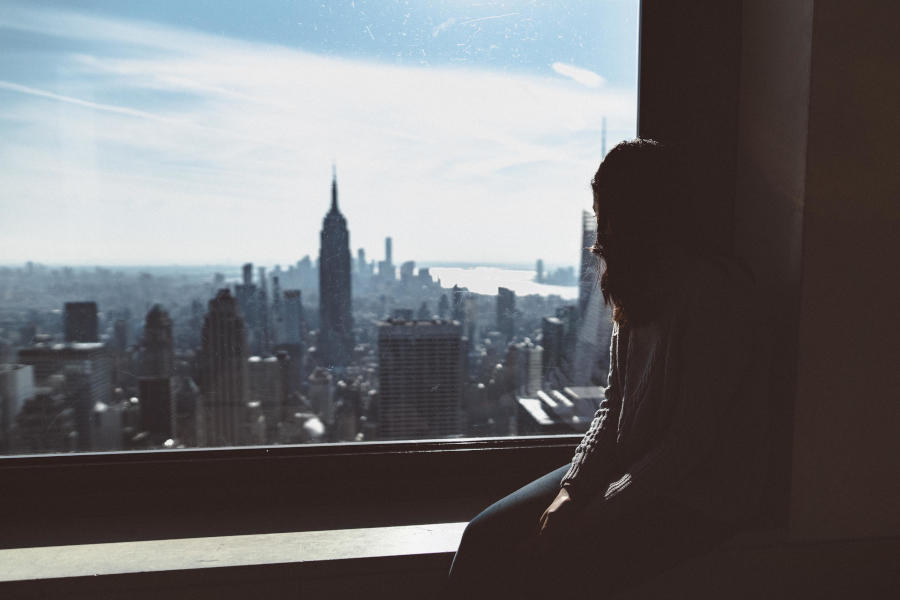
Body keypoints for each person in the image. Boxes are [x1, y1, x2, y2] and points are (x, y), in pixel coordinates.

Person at [443, 139, 769, 599]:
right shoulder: (640, 285)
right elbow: (613, 405)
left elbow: (689, 443)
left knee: (544, 570)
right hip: (634, 466)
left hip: (700, 496)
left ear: (645, 214)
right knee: (482, 536)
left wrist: (596, 511)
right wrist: (573, 491)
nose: (602, 232)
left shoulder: (714, 294)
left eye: (609, 214)